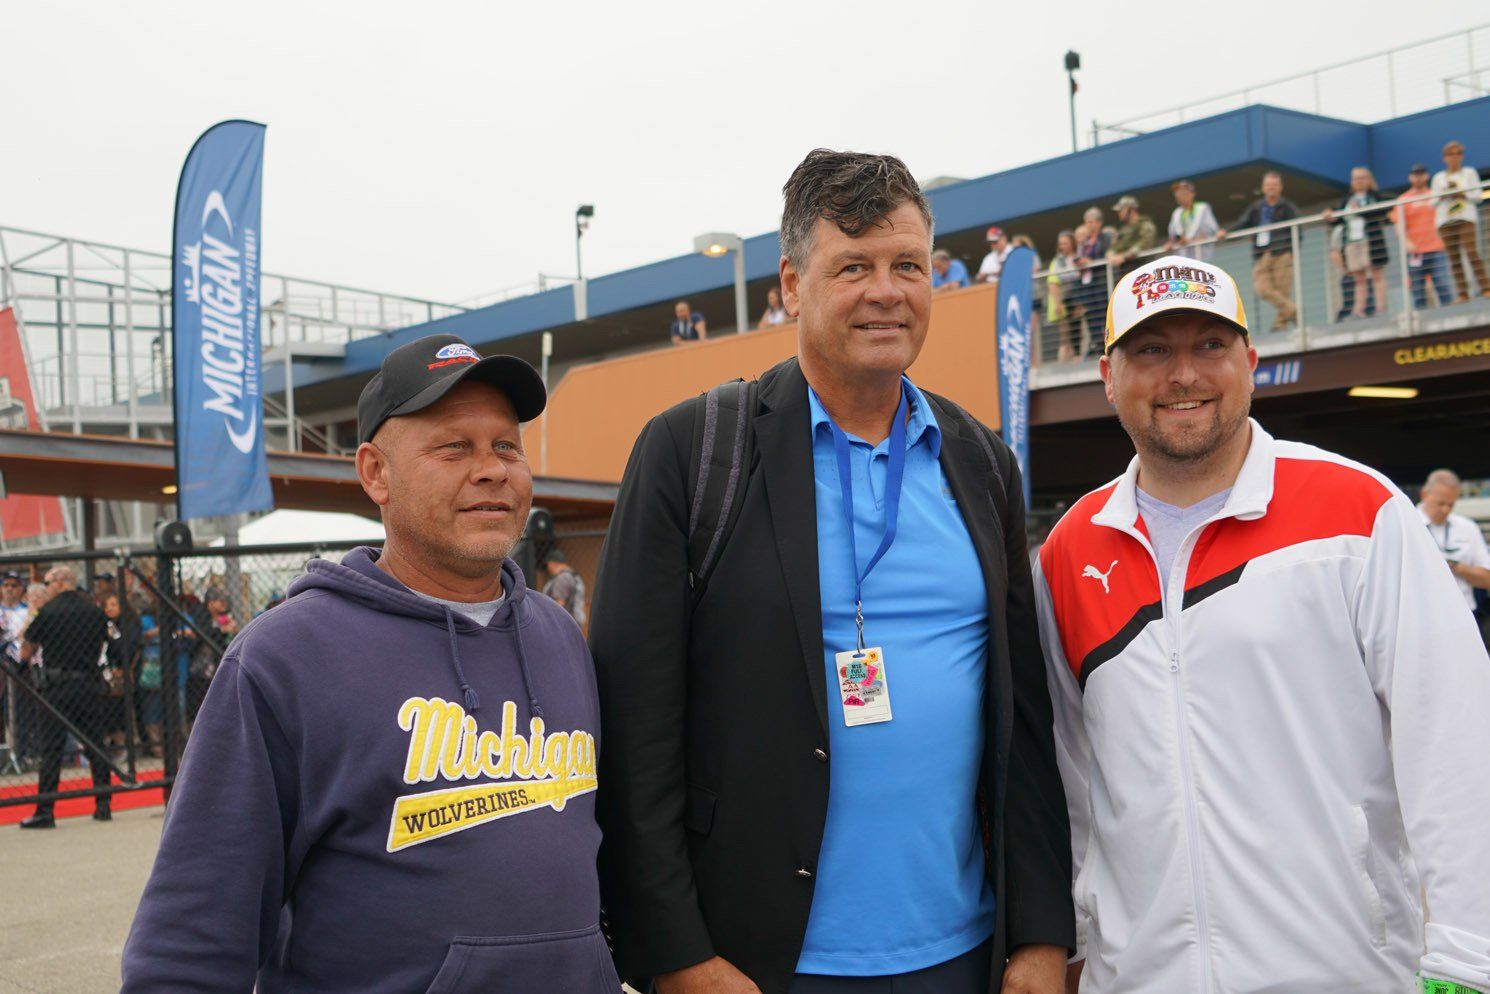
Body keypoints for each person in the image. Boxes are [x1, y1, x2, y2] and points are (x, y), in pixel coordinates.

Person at [592, 149, 1074, 994]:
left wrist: (1038, 934)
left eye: (908, 267)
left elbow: (1022, 723)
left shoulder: (981, 462)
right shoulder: (692, 450)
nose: (886, 291)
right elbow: (634, 727)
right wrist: (676, 956)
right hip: (756, 965)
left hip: (960, 956)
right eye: (853, 266)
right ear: (791, 283)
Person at [1035, 254, 1490, 993]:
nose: (1183, 374)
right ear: (1107, 376)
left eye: (1209, 346)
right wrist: (1073, 941)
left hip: (1345, 970)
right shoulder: (1070, 548)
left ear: (1250, 359)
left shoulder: (1358, 511)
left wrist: (1471, 961)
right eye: (1152, 350)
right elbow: (1069, 781)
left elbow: (1457, 744)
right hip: (1139, 977)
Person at [122, 333, 618, 993]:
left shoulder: (558, 636)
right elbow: (192, 934)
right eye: (454, 447)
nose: (493, 468)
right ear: (375, 473)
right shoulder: (285, 657)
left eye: (507, 446)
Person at [17, 565, 112, 827]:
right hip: (88, 684)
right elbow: (105, 641)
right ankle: (103, 803)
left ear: (59, 583)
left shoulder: (47, 612)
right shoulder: (94, 611)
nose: (46, 588)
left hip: (57, 687)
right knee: (95, 744)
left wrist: (22, 663)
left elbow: (28, 647)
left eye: (48, 583)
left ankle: (45, 810)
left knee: (52, 748)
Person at [1217, 171, 1300, 331]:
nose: (1271, 188)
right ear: (1263, 187)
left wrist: (1291, 251)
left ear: (1280, 187)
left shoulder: (1287, 206)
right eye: (1268, 185)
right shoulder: (1257, 207)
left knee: (1283, 289)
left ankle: (1280, 324)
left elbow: (1297, 229)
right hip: (1262, 253)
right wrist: (1227, 233)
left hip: (1281, 251)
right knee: (1261, 288)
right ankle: (1292, 310)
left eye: (1274, 185)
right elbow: (1243, 223)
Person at [1418, 468, 1490, 647]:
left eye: (1451, 504)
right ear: (1424, 494)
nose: (1445, 510)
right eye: (1440, 503)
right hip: (1422, 618)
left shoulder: (1467, 527)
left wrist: (1458, 568)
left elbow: (1487, 579)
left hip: (1465, 617)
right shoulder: (1406, 524)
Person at [1323, 166, 1394, 320]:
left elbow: (1383, 210)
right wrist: (1330, 214)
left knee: (1377, 275)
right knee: (1358, 278)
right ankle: (1358, 311)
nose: (1359, 181)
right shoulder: (1347, 200)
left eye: (1362, 178)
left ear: (1369, 180)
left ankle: (1381, 308)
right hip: (1351, 241)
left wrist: (1360, 209)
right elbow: (1338, 216)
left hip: (1371, 241)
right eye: (1356, 178)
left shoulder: (1375, 197)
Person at [1431, 139, 1489, 301]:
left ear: (1462, 156)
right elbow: (1432, 201)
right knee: (1453, 257)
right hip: (1445, 221)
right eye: (1450, 154)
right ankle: (1462, 293)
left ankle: (1486, 287)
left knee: (1471, 252)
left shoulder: (1469, 173)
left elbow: (1478, 196)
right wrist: (1444, 193)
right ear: (1444, 158)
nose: (1454, 157)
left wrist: (1462, 194)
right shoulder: (1438, 177)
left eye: (1457, 154)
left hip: (1466, 218)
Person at [1393, 163, 1454, 310]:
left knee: (1442, 283)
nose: (1419, 177)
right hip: (1416, 251)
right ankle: (1421, 316)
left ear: (1426, 176)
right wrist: (1406, 242)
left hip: (1437, 248)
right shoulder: (1403, 199)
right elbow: (1398, 224)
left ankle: (1451, 312)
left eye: (1421, 174)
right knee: (1417, 288)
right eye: (1415, 174)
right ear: (1410, 177)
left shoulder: (1435, 195)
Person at [100, 592, 141, 755]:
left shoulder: (129, 625)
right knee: (107, 709)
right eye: (107, 605)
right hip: (105, 672)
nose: (109, 609)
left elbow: (128, 648)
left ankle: (122, 746)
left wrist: (113, 637)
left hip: (121, 672)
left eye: (113, 605)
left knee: (121, 710)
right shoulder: (103, 624)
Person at [1073, 208, 1114, 355]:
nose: (1089, 225)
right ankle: (1096, 343)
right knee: (1090, 313)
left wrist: (1090, 261)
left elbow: (1108, 255)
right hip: (1088, 283)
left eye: (1092, 222)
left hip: (1101, 281)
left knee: (1102, 311)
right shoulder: (1085, 242)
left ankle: (1106, 341)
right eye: (1087, 222)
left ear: (1099, 223)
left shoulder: (1105, 238)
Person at [1046, 230, 1083, 362]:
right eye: (1061, 244)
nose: (1063, 246)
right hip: (1064, 300)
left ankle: (1078, 358)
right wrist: (1058, 303)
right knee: (1065, 338)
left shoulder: (1079, 255)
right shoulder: (1057, 261)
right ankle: (1064, 365)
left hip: (1079, 299)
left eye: (1065, 243)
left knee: (1079, 331)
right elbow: (1053, 283)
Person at [1164, 180, 1219, 260]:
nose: (1178, 195)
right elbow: (1173, 237)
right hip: (1184, 258)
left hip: (1202, 255)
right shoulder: (1176, 213)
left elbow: (1212, 230)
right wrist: (1173, 242)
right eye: (1177, 193)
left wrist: (1191, 240)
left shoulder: (1202, 208)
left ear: (1192, 194)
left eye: (1182, 192)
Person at [1105, 196, 1157, 275]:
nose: (1118, 213)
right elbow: (1114, 247)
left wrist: (1124, 256)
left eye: (1121, 210)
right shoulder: (1123, 231)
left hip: (1144, 272)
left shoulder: (1145, 224)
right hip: (1126, 274)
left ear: (1130, 209)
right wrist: (1110, 254)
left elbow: (1146, 243)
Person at [540, 547, 588, 629]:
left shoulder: (562, 578)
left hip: (562, 625)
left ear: (552, 563)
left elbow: (558, 605)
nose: (548, 568)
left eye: (548, 565)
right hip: (573, 623)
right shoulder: (574, 576)